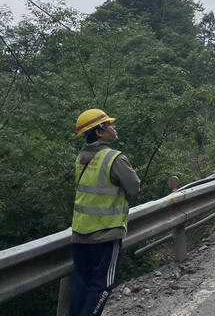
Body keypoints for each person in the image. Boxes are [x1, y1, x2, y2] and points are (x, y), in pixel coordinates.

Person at [70, 108, 140, 316]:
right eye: (109, 124)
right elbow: (134, 188)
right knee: (103, 286)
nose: (114, 127)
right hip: (105, 235)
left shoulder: (81, 158)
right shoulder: (114, 158)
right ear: (100, 131)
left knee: (82, 285)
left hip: (80, 235)